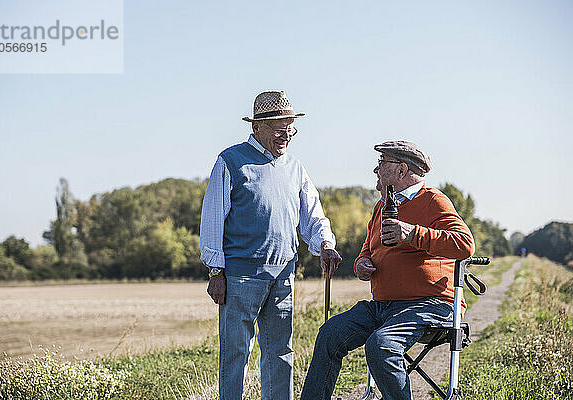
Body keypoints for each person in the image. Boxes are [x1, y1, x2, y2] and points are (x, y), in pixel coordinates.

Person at [300, 141, 475, 400]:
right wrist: (361, 263)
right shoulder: (381, 206)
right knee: (329, 334)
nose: (375, 169)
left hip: (428, 304)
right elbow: (367, 249)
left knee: (381, 345)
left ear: (401, 170)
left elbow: (464, 244)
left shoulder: (432, 200)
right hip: (383, 306)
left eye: (381, 163)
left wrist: (413, 233)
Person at [200, 90, 342, 400]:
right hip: (240, 278)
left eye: (291, 127)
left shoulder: (295, 168)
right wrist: (215, 271)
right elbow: (212, 219)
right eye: (280, 128)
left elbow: (312, 214)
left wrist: (325, 244)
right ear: (257, 128)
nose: (287, 135)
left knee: (280, 352)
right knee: (236, 355)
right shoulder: (230, 161)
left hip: (284, 276)